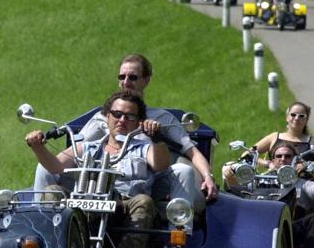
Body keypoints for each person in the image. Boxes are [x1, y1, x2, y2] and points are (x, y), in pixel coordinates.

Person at [26, 91, 168, 248]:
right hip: (87, 201)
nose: (122, 120)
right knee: (52, 192)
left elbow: (161, 164)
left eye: (129, 116)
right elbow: (56, 166)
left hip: (124, 205)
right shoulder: (88, 147)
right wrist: (38, 147)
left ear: (138, 122)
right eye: (117, 114)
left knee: (144, 202)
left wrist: (157, 139)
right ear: (106, 116)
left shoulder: (144, 148)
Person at [35, 53, 218, 211]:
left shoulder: (161, 118)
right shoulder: (103, 116)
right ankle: (41, 227)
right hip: (101, 179)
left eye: (133, 77)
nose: (126, 82)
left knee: (183, 170)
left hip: (145, 179)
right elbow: (78, 147)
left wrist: (208, 178)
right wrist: (41, 149)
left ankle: (177, 236)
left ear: (146, 80)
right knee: (44, 168)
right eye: (122, 77)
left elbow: (191, 151)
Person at [249, 101, 314, 172]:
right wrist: (267, 163)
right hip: (275, 184)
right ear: (287, 117)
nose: (296, 118)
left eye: (301, 116)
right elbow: (247, 154)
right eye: (293, 115)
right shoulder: (273, 137)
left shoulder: (313, 141)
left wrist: (307, 165)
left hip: (304, 187)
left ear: (307, 120)